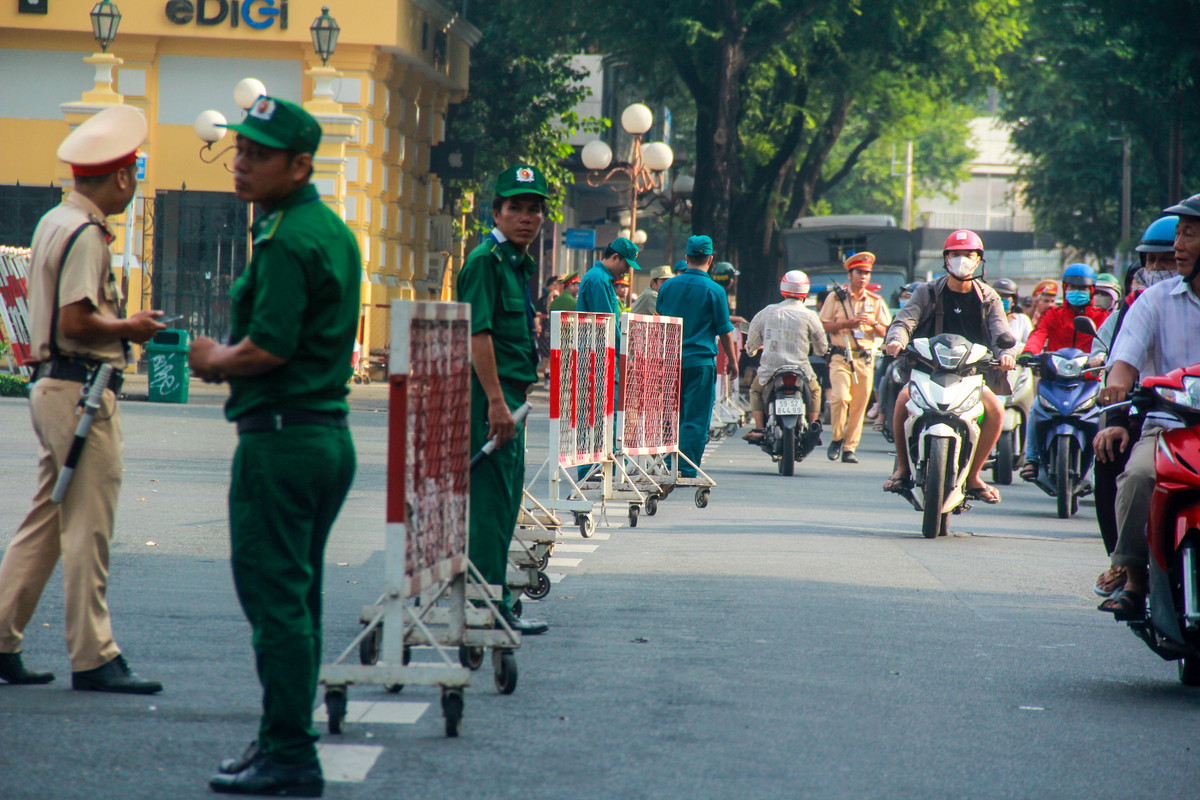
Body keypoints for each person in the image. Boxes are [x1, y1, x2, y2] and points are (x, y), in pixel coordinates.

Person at [186, 97, 359, 796]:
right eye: (240, 149)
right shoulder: (323, 226)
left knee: (276, 601)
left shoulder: (288, 239)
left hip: (283, 439)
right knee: (298, 598)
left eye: (259, 154)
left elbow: (269, 347)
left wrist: (213, 357)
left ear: (300, 165)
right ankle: (282, 737)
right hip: (320, 436)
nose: (242, 162)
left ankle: (289, 752)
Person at [0, 105, 166, 694]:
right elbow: (77, 319)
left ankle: (1, 639)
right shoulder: (87, 233)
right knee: (87, 527)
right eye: (136, 170)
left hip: (54, 385)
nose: (136, 181)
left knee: (46, 518)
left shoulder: (54, 219)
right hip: (81, 391)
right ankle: (93, 655)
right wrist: (131, 327)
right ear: (119, 176)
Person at [453, 163, 552, 637]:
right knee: (491, 505)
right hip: (489, 397)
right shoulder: (486, 262)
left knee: (506, 500)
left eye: (534, 209)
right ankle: (488, 604)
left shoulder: (516, 262)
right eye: (516, 208)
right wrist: (494, 402)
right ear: (497, 211)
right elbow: (479, 334)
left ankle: (496, 601)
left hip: (511, 396)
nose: (526, 217)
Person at [1094, 203, 1200, 619]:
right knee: (1137, 476)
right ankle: (1134, 577)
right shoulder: (1153, 301)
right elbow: (1123, 362)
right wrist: (1117, 385)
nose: (1177, 247)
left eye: (1188, 235)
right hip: (1168, 431)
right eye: (1178, 235)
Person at [882, 230, 1016, 504]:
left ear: (979, 261)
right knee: (902, 400)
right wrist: (896, 341)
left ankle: (974, 475)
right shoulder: (926, 291)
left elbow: (1001, 331)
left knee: (996, 410)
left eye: (968, 255)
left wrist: (1006, 354)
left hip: (972, 374)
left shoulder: (989, 297)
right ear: (945, 259)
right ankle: (902, 468)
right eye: (955, 254)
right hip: (928, 369)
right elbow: (904, 321)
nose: (962, 260)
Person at [1018, 263, 1110, 482]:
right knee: (1037, 408)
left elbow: (1108, 341)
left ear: (1091, 291)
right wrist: (1029, 353)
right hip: (1054, 380)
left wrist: (1103, 357)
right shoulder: (1053, 314)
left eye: (1082, 288)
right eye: (1071, 287)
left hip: (1089, 380)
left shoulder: (1101, 317)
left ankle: (1102, 463)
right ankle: (1031, 459)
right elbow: (1039, 335)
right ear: (1064, 288)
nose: (1076, 292)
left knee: (1104, 416)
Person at [656, 235, 739, 476]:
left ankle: (665, 461)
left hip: (669, 361)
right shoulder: (715, 290)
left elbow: (659, 319)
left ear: (686, 258)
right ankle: (685, 469)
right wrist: (732, 362)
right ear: (711, 260)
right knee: (696, 418)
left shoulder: (668, 286)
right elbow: (725, 330)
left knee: (669, 413)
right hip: (700, 363)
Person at [819, 251, 892, 464]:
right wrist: (845, 324)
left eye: (867, 273)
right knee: (840, 398)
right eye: (859, 272)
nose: (863, 277)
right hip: (840, 357)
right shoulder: (836, 298)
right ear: (850, 274)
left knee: (859, 406)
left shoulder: (876, 301)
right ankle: (836, 438)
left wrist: (872, 322)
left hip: (865, 359)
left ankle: (850, 448)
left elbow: (886, 331)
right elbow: (824, 325)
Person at [742, 270, 828, 443]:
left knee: (755, 391)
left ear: (783, 289)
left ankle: (759, 428)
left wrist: (751, 350)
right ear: (805, 291)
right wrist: (819, 351)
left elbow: (752, 340)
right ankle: (813, 427)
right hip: (801, 370)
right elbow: (821, 347)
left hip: (770, 370)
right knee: (816, 390)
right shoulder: (810, 315)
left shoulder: (767, 311)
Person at [992, 278, 1032, 348]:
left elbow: (1030, 344)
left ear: (1013, 301)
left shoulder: (1022, 319)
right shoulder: (987, 318)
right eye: (998, 296)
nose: (1001, 299)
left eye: (1005, 296)